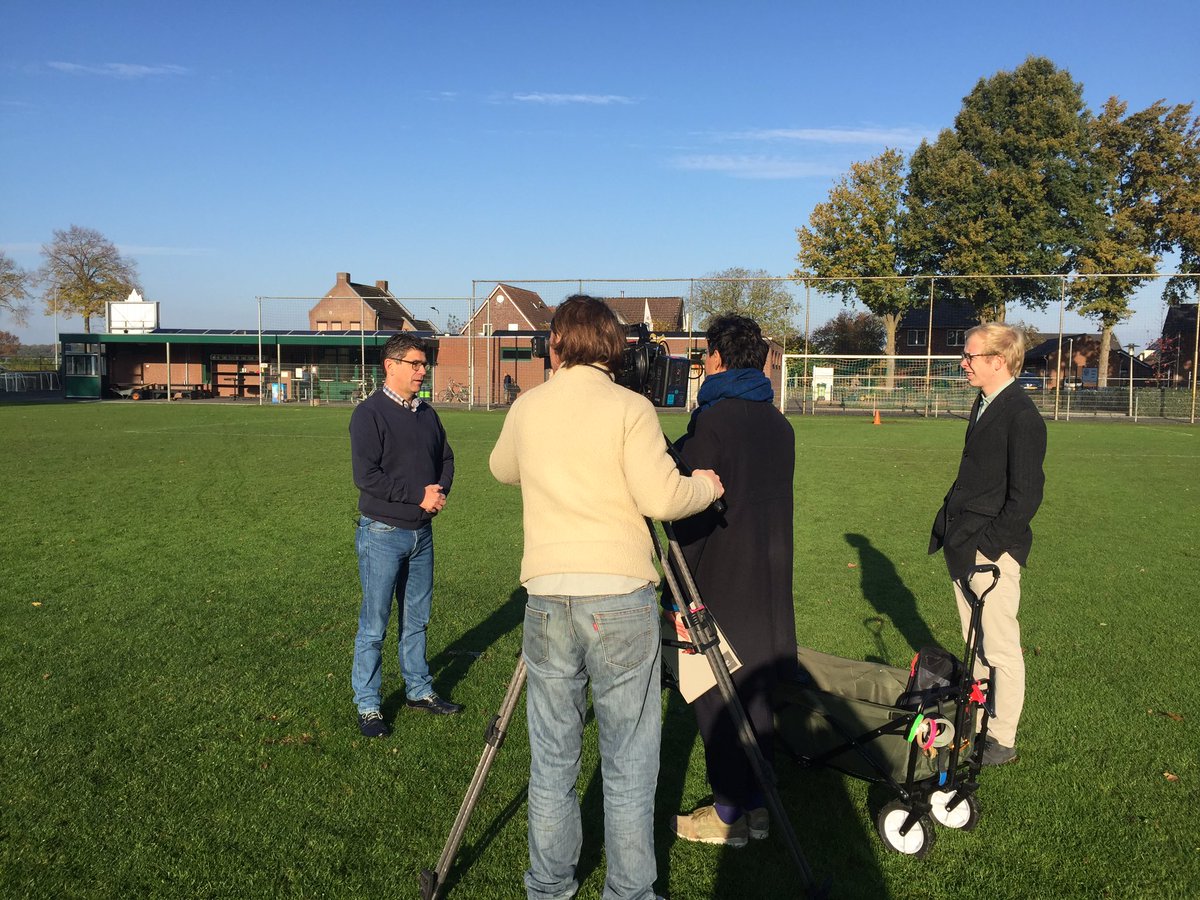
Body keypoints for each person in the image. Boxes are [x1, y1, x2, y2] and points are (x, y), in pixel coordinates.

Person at [489, 295, 724, 900]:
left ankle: (548, 885)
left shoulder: (529, 407)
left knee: (552, 758)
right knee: (628, 760)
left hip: (547, 595)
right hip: (619, 595)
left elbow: (501, 468)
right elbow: (663, 498)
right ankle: (628, 891)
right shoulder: (630, 407)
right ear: (613, 348)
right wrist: (704, 486)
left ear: (557, 345)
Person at [666, 314, 796, 848]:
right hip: (769, 573)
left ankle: (726, 814)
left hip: (719, 576)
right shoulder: (778, 421)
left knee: (714, 695)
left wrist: (676, 581)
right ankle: (758, 805)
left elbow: (687, 501)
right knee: (756, 693)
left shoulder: (714, 422)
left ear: (717, 358)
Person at [929, 323, 1046, 766]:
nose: (964, 362)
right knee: (974, 642)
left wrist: (991, 548)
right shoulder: (985, 403)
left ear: (998, 360)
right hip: (965, 544)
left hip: (989, 551)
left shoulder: (1021, 414)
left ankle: (1002, 737)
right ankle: (975, 720)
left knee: (999, 648)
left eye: (971, 356)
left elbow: (1027, 494)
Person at [350, 333, 462, 738]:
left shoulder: (427, 413)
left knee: (417, 620)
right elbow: (366, 477)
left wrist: (439, 490)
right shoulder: (369, 414)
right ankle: (368, 705)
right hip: (382, 533)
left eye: (423, 363)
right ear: (390, 365)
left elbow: (446, 457)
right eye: (414, 363)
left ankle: (418, 690)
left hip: (421, 536)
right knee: (374, 624)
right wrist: (419, 495)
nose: (422, 370)